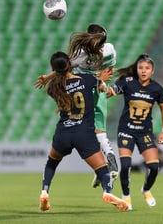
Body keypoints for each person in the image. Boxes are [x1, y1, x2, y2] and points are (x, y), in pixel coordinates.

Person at [38, 51, 128, 212]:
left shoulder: (53, 88)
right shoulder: (87, 80)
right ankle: (107, 192)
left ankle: (44, 192)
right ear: (70, 65)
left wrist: (48, 77)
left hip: (63, 132)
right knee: (102, 170)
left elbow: (61, 75)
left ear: (53, 68)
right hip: (83, 134)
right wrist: (101, 79)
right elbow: (101, 86)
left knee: (52, 162)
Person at [34, 24, 119, 188]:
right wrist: (102, 82)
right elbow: (110, 68)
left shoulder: (81, 55)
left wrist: (47, 77)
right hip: (99, 86)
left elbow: (65, 66)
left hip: (83, 88)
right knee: (99, 130)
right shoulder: (110, 50)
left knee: (87, 127)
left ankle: (101, 169)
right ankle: (108, 155)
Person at [107, 54, 163, 210]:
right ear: (136, 69)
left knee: (154, 167)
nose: (143, 71)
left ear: (152, 71)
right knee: (126, 165)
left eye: (147, 68)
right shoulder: (128, 82)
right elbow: (110, 92)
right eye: (141, 68)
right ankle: (126, 197)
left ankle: (146, 190)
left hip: (145, 132)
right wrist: (104, 88)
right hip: (126, 130)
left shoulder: (157, 89)